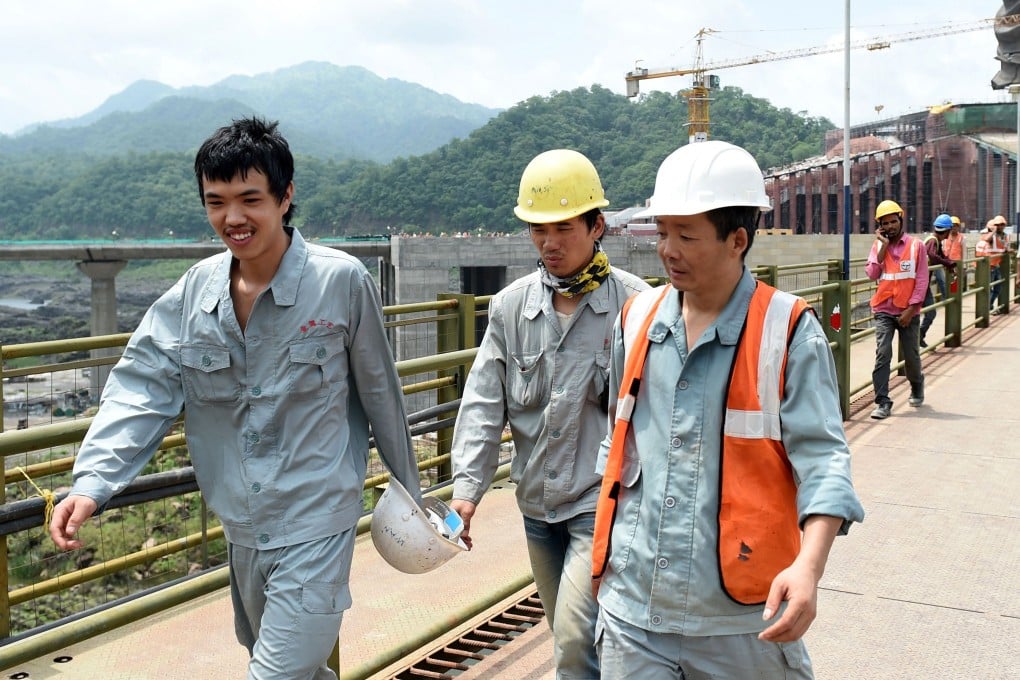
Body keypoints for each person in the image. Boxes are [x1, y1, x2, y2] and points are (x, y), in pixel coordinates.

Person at [48, 117, 422, 680]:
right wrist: (93, 482)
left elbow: (381, 395)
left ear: (285, 196)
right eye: (216, 202)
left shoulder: (340, 282)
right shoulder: (195, 293)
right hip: (242, 528)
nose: (233, 218)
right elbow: (142, 387)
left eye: (250, 199)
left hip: (316, 522)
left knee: (272, 674)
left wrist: (418, 502)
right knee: (289, 668)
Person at [590, 140, 864, 679]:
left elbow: (825, 461)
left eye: (686, 235)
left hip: (741, 621)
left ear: (738, 239)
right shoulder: (637, 318)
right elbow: (620, 452)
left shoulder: (787, 331)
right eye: (663, 231)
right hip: (633, 613)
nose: (668, 249)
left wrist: (809, 568)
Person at [449, 149, 649, 679]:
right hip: (536, 505)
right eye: (538, 229)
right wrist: (466, 494)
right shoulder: (511, 308)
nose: (549, 242)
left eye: (563, 227)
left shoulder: (637, 307)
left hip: (600, 502)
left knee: (574, 635)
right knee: (573, 634)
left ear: (597, 224)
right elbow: (483, 404)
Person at [865, 199, 928, 419]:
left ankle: (917, 384)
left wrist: (912, 310)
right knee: (883, 354)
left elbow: (921, 280)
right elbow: (872, 274)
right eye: (886, 223)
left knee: (911, 356)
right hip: (883, 309)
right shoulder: (878, 246)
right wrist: (881, 246)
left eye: (893, 221)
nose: (890, 226)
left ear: (901, 220)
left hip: (908, 311)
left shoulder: (916, 246)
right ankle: (882, 402)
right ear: (880, 225)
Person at [919, 213, 957, 347]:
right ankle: (916, 338)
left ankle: (918, 336)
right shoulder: (932, 241)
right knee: (928, 313)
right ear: (946, 231)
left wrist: (950, 264)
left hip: (923, 284)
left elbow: (941, 256)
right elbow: (933, 256)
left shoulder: (936, 241)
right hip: (919, 285)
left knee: (930, 312)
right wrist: (949, 264)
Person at [976, 215, 1008, 314]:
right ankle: (987, 309)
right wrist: (993, 231)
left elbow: (1003, 248)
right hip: (988, 266)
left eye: (1002, 224)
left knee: (998, 288)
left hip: (996, 265)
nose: (1000, 227)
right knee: (988, 289)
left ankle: (989, 306)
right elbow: (987, 240)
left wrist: (1008, 251)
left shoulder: (1004, 236)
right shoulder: (988, 235)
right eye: (997, 225)